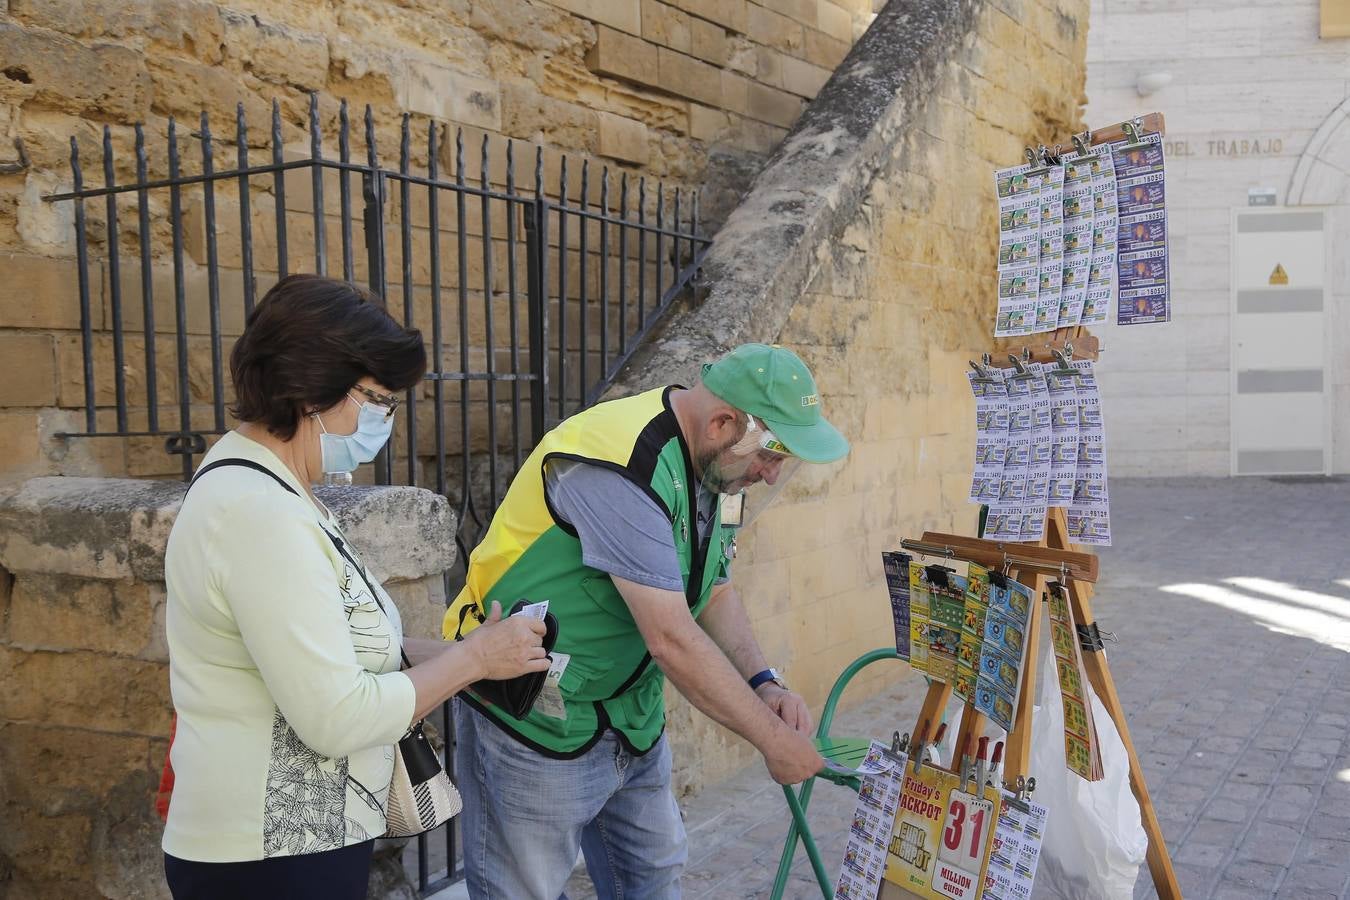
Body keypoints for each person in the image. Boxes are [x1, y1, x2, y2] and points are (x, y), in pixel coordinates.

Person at [161, 275, 550, 900]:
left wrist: (473, 654)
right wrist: (474, 659)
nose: (385, 420)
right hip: (269, 855)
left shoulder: (274, 491)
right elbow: (336, 718)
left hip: (292, 843)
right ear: (311, 388)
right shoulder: (261, 515)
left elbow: (335, 650)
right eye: (377, 401)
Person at [443, 342, 850, 898]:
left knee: (656, 878)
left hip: (629, 716)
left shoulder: (720, 468)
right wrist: (774, 740)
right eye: (771, 454)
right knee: (524, 890)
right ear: (723, 422)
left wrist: (764, 682)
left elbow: (713, 584)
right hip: (533, 713)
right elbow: (672, 639)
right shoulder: (622, 464)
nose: (772, 475)